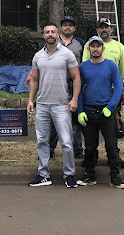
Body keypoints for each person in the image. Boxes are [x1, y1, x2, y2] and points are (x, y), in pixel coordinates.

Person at [27, 22, 81, 188]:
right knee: (42, 141)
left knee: (66, 142)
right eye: (47, 32)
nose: (50, 34)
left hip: (61, 105)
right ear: (43, 35)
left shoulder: (67, 54)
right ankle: (44, 175)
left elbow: (76, 78)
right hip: (42, 105)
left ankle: (69, 175)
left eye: (53, 32)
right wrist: (30, 100)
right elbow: (34, 79)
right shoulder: (38, 56)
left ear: (57, 35)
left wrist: (74, 99)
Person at [76, 36, 124, 189]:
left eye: (98, 46)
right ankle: (90, 176)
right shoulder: (83, 67)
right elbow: (78, 90)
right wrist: (80, 111)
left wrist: (110, 107)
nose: (95, 49)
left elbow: (118, 87)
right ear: (88, 49)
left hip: (106, 112)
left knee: (112, 146)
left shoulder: (111, 66)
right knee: (90, 147)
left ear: (102, 48)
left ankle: (115, 177)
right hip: (89, 111)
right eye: (92, 46)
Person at [82, 17, 124, 168]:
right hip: (94, 94)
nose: (104, 29)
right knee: (91, 135)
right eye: (101, 27)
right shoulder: (89, 45)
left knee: (113, 127)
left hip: (113, 94)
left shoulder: (119, 46)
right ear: (97, 29)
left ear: (111, 29)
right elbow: (84, 69)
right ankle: (92, 159)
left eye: (106, 27)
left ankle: (114, 158)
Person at [51, 15, 85, 159]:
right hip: (56, 86)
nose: (67, 27)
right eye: (65, 25)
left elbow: (84, 64)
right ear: (61, 27)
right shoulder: (53, 42)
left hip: (73, 86)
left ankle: (78, 150)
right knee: (54, 121)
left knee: (75, 122)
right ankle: (50, 149)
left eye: (70, 25)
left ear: (74, 28)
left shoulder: (80, 44)